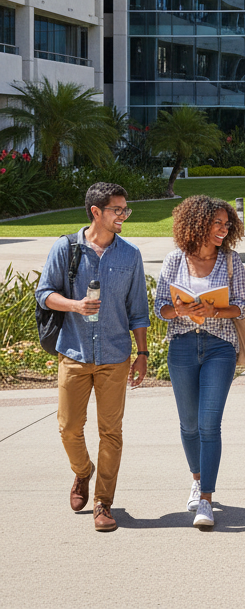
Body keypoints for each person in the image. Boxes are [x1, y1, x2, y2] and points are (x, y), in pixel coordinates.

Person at [35, 182, 150, 532]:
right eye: (117, 210)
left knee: (110, 431)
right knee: (69, 427)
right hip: (73, 352)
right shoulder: (65, 248)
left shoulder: (130, 255)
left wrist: (142, 352)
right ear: (96, 212)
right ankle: (82, 472)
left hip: (115, 355)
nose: (123, 216)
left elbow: (139, 310)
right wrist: (75, 305)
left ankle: (104, 502)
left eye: (125, 209)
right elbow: (44, 294)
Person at [155, 195, 245, 529]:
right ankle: (197, 478)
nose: (223, 230)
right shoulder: (174, 260)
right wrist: (179, 309)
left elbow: (242, 306)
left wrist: (215, 310)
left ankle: (206, 499)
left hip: (219, 347)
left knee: (209, 424)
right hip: (181, 345)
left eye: (227, 224)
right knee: (189, 424)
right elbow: (160, 308)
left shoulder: (230, 261)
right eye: (217, 223)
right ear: (197, 223)